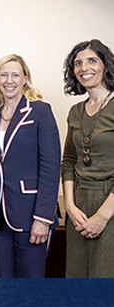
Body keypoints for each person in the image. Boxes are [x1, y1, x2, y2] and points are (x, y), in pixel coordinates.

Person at [0, 54, 61, 278]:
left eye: (15, 74)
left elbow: (51, 167)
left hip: (31, 214)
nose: (9, 80)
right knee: (3, 281)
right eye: (3, 75)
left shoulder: (40, 111)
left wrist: (43, 218)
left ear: (25, 78)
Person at [62, 39, 114, 278]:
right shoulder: (75, 111)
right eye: (78, 63)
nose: (84, 67)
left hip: (109, 204)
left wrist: (102, 216)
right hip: (79, 206)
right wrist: (71, 207)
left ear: (105, 64)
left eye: (92, 60)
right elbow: (69, 160)